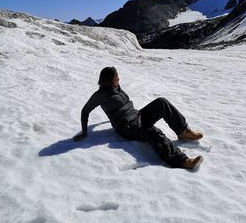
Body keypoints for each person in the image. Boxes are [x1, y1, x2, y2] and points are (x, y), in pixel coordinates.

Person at [74, 67, 204, 170]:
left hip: (137, 115)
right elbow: (85, 110)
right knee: (153, 132)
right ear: (109, 80)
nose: (119, 79)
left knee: (161, 102)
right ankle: (183, 161)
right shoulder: (99, 95)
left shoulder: (116, 87)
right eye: (116, 78)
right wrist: (85, 131)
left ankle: (183, 131)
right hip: (126, 126)